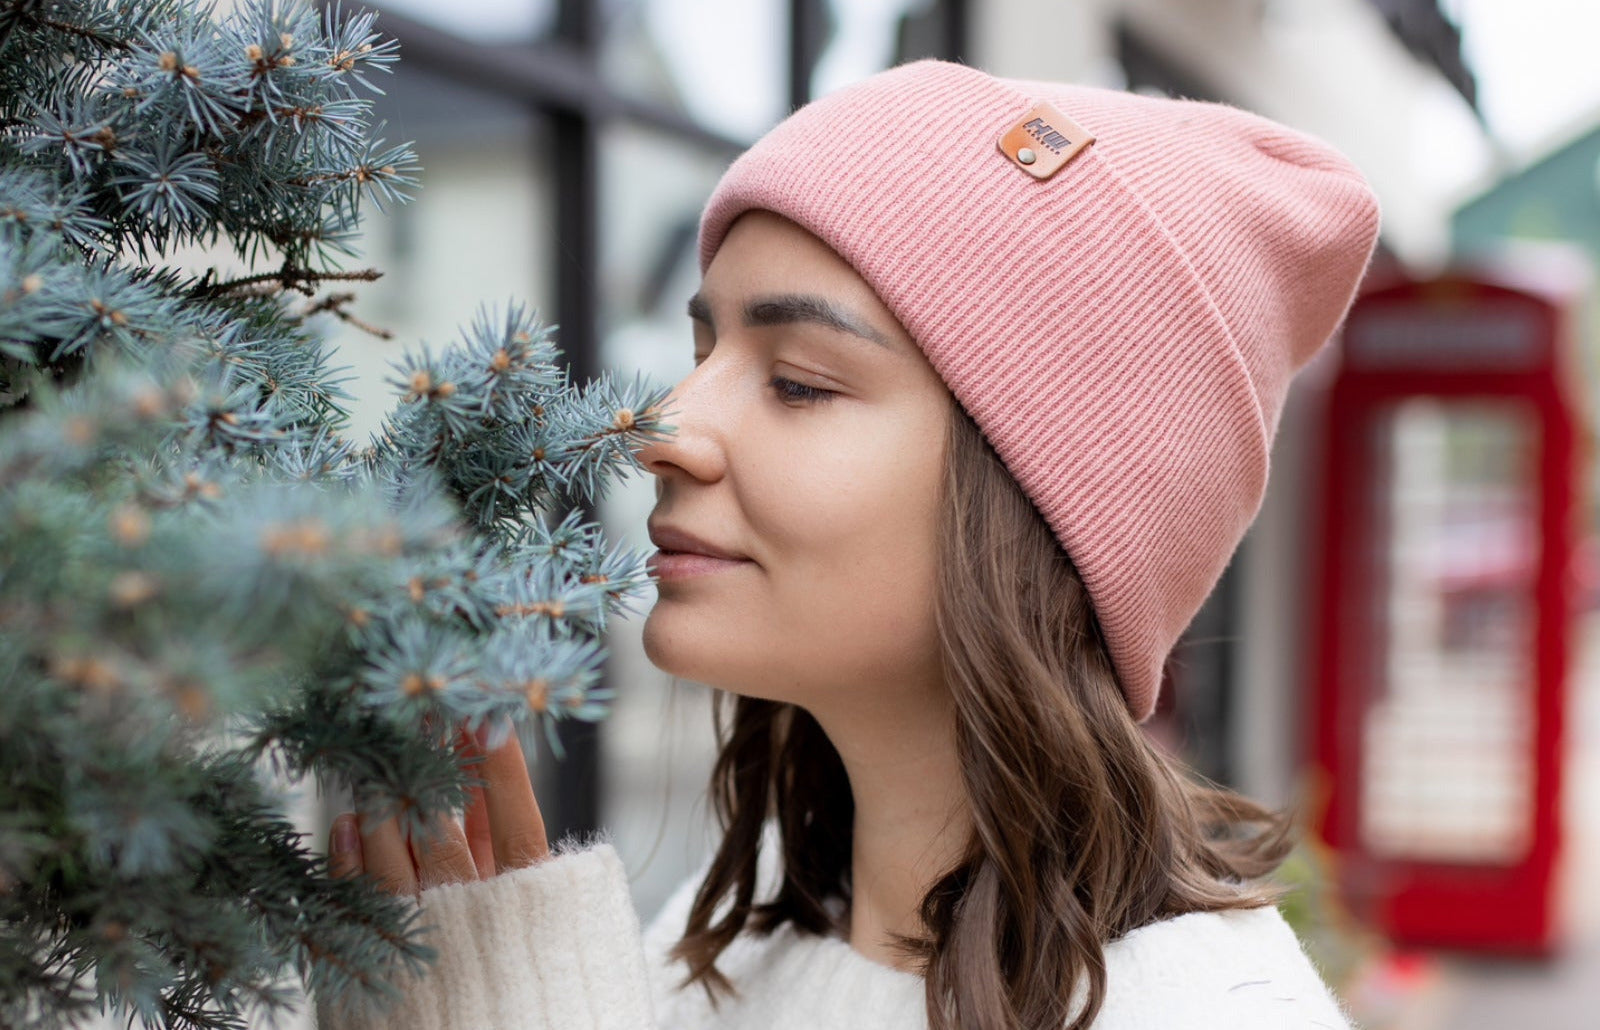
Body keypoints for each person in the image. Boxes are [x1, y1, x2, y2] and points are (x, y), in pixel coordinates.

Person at [317, 57, 1380, 1030]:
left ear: (1037, 509)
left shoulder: (1211, 1011)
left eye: (798, 382)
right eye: (703, 350)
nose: (663, 432)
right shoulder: (726, 942)